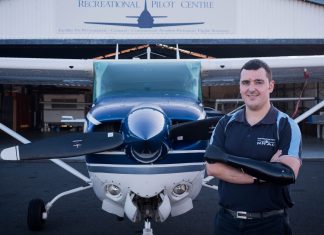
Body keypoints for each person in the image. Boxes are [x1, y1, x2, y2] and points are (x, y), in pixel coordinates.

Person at [204, 59, 302, 235]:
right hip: (227, 223)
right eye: (245, 82)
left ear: (270, 86)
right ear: (240, 87)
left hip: (270, 224)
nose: (251, 88)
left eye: (258, 82)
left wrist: (227, 162)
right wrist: (265, 172)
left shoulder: (286, 125)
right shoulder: (225, 123)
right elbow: (212, 168)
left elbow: (286, 174)